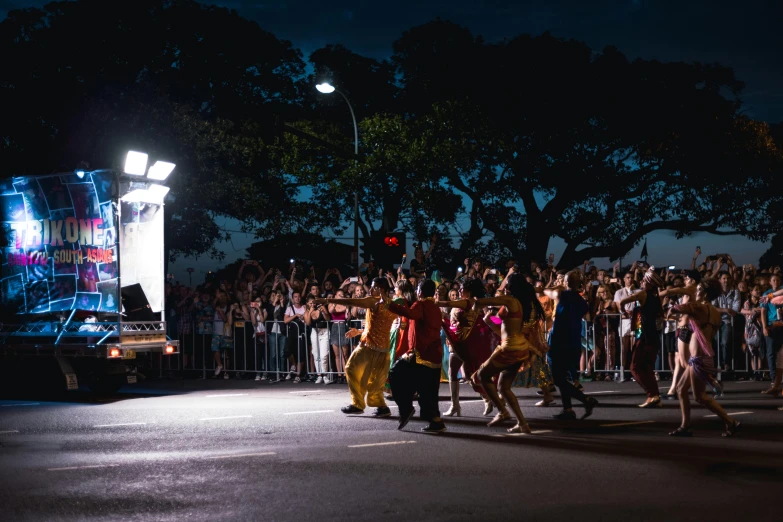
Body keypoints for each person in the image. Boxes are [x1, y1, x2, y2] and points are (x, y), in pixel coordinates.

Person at [471, 273, 553, 433]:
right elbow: (504, 332)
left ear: (512, 287)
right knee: (503, 387)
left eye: (507, 284)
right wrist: (489, 322)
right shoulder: (520, 303)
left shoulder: (511, 300)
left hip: (510, 349)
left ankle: (502, 411)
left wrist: (475, 304)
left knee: (481, 376)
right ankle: (523, 424)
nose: (505, 287)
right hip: (518, 347)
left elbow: (482, 301)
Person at [668, 278, 740, 437]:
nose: (696, 292)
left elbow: (681, 307)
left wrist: (675, 307)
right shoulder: (713, 311)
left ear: (705, 293)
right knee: (680, 389)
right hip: (699, 357)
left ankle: (731, 421)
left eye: (698, 289)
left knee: (699, 396)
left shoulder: (702, 308)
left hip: (700, 358)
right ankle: (685, 426)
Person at [315, 278, 397, 417]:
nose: (370, 290)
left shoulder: (374, 300)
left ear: (381, 290)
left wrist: (328, 301)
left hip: (369, 346)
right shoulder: (391, 305)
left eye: (373, 287)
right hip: (383, 349)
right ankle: (381, 407)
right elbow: (379, 326)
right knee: (375, 379)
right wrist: (359, 331)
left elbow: (351, 301)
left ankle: (358, 404)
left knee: (351, 368)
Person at [538, 271, 599, 420]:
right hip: (573, 342)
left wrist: (552, 285)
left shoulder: (562, 295)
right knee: (562, 378)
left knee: (558, 379)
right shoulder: (581, 302)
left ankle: (585, 400)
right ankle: (568, 409)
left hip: (559, 341)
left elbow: (545, 291)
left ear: (566, 282)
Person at [388, 279, 446, 433]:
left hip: (420, 353)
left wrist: (389, 304)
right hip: (433, 355)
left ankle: (406, 409)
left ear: (419, 291)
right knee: (428, 390)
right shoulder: (435, 306)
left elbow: (410, 313)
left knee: (395, 373)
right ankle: (436, 421)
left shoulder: (421, 305)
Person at [437, 278, 495, 417]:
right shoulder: (475, 303)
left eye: (463, 288)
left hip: (464, 344)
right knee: (462, 373)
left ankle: (484, 399)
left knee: (467, 374)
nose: (460, 290)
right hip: (458, 342)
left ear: (469, 291)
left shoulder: (467, 302)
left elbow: (447, 303)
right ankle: (458, 405)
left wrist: (433, 302)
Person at [617, 267, 664, 407]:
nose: (641, 281)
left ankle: (652, 394)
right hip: (652, 336)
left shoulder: (643, 294)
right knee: (648, 368)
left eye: (644, 280)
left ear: (649, 283)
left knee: (634, 367)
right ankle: (655, 397)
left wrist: (623, 310)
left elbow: (623, 301)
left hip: (644, 336)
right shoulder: (656, 298)